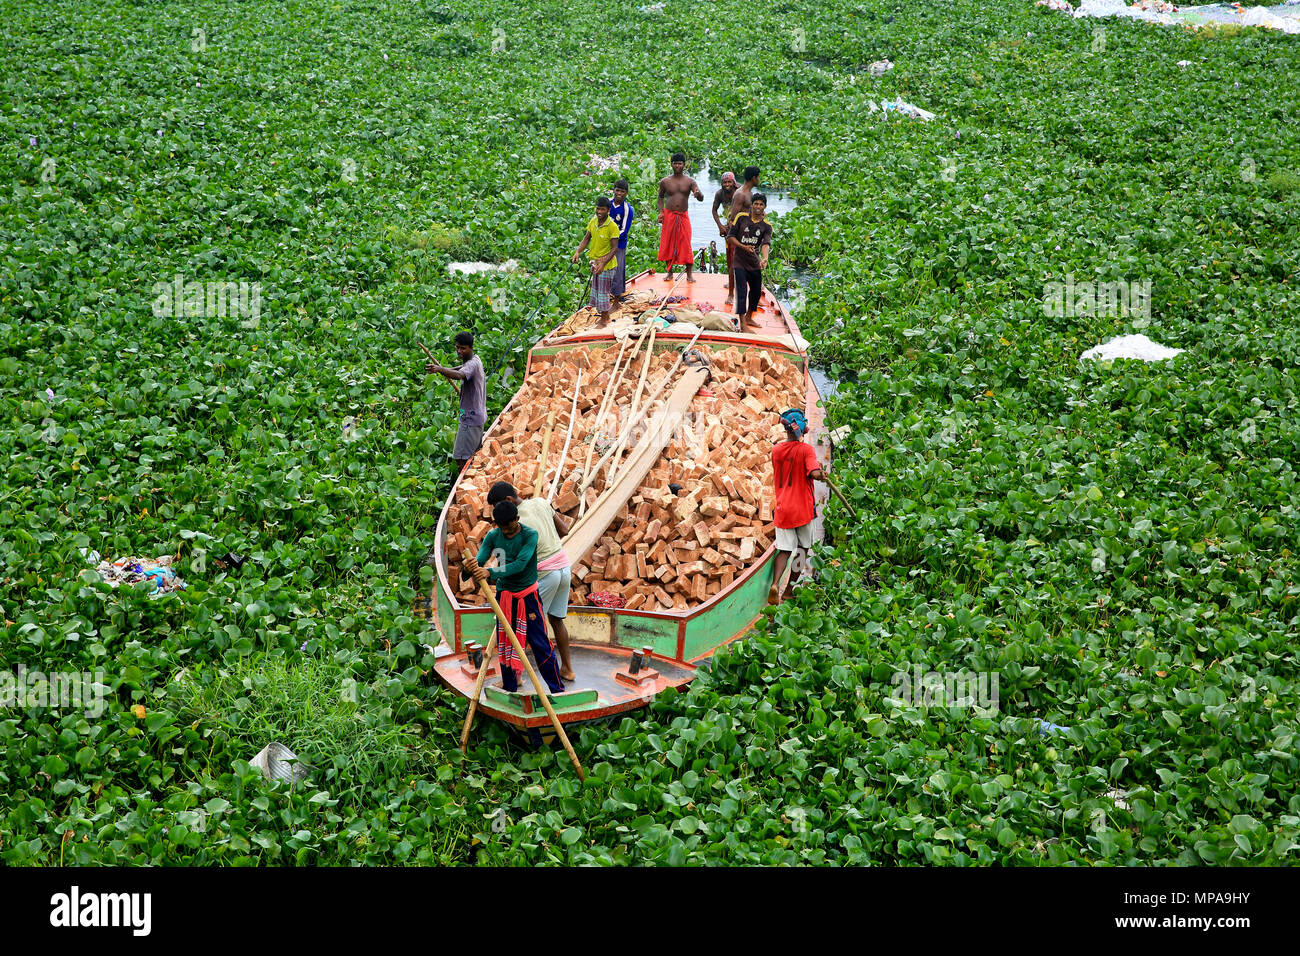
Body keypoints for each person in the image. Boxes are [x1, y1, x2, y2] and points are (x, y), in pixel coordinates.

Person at [469, 500, 566, 694]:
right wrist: (470, 567)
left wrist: (490, 572)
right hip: (504, 598)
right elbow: (480, 560)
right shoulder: (492, 536)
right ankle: (510, 689)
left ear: (517, 519)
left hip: (528, 597)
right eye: (503, 529)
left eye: (511, 528)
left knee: (540, 644)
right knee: (506, 643)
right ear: (497, 525)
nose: (508, 533)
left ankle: (557, 690)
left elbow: (521, 564)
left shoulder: (530, 535)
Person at [487, 481, 576, 682]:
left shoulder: (518, 524)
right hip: (563, 568)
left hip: (545, 574)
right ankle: (568, 669)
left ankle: (514, 677)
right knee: (556, 620)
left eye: (499, 507)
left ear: (509, 500)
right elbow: (564, 530)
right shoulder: (541, 502)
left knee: (521, 624)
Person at [769, 408, 824, 605]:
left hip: (784, 509)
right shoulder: (806, 450)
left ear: (786, 429)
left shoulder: (776, 451)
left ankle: (775, 583)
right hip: (803, 510)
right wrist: (821, 474)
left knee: (784, 550)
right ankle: (788, 590)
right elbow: (814, 473)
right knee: (802, 549)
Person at [426, 331, 485, 476]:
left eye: (463, 348)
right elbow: (459, 370)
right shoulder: (475, 360)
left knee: (461, 458)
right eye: (457, 348)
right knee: (471, 453)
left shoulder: (471, 364)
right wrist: (441, 370)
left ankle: (466, 482)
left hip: (469, 419)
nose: (459, 351)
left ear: (471, 348)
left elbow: (460, 374)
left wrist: (440, 369)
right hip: (477, 415)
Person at [571, 196, 621, 324]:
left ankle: (604, 319)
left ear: (608, 210)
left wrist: (603, 263)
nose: (599, 212)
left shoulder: (612, 226)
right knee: (597, 291)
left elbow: (615, 248)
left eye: (602, 209)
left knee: (603, 292)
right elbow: (586, 238)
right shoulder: (593, 222)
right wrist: (578, 251)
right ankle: (604, 316)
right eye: (597, 209)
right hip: (595, 262)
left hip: (607, 264)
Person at [728, 193, 772, 332]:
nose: (758, 207)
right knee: (741, 291)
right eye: (756, 204)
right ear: (751, 205)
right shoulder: (741, 218)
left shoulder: (766, 226)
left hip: (754, 262)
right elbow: (731, 237)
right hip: (739, 261)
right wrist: (743, 246)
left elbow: (765, 244)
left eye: (761, 204)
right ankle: (743, 325)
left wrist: (765, 259)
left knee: (756, 292)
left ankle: (749, 316)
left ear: (764, 207)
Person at [657, 152, 704, 283]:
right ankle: (669, 272)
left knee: (685, 242)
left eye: (680, 163)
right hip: (669, 215)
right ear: (671, 164)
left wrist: (698, 194)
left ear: (684, 165)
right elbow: (660, 197)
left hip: (683, 215)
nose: (677, 165)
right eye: (675, 163)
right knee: (668, 243)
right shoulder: (665, 181)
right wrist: (661, 212)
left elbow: (700, 197)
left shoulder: (690, 181)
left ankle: (689, 274)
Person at [711, 171, 739, 304]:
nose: (727, 184)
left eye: (729, 182)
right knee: (730, 259)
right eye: (724, 182)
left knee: (750, 257)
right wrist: (720, 226)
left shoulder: (740, 192)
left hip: (742, 228)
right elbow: (714, 210)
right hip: (729, 230)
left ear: (734, 182)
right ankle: (731, 285)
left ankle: (756, 284)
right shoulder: (719, 194)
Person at [609, 179, 635, 302]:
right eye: (617, 190)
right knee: (603, 267)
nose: (619, 193)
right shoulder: (607, 204)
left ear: (626, 193)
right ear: (613, 190)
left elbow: (624, 229)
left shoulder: (627, 209)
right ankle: (604, 293)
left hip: (619, 243)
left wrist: (612, 239)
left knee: (618, 269)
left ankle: (617, 296)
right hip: (604, 242)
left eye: (622, 191)